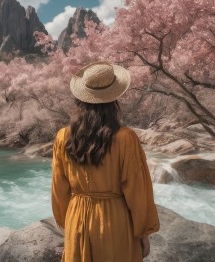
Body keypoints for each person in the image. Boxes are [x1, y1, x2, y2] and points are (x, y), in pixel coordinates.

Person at [51, 61, 160, 262]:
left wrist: (69, 223)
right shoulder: (126, 138)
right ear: (114, 100)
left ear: (81, 99)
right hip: (115, 221)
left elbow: (59, 189)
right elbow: (136, 189)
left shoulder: (62, 137)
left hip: (77, 219)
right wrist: (143, 232)